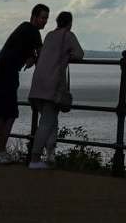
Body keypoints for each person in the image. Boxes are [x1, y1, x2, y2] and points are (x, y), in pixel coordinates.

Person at [0, 5, 47, 164]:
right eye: (42, 17)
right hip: (6, 74)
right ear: (34, 17)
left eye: (46, 18)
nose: (45, 21)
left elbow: (28, 50)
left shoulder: (25, 29)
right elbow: (43, 53)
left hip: (3, 72)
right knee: (3, 114)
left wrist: (32, 56)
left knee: (6, 113)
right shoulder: (33, 31)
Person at [26, 11, 84, 170]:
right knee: (46, 123)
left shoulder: (49, 35)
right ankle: (35, 159)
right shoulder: (68, 35)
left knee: (50, 120)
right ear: (70, 23)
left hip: (38, 83)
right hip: (52, 85)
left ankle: (51, 155)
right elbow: (80, 54)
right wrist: (68, 55)